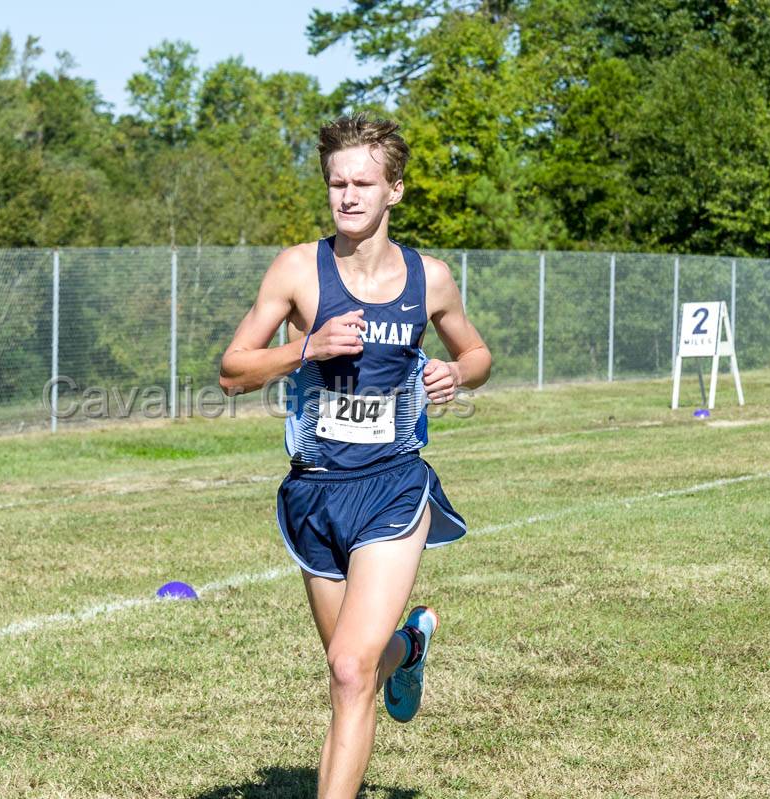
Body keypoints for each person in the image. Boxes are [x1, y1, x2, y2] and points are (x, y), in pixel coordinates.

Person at [218, 115, 492, 799]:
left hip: (395, 487)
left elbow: (476, 352)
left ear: (394, 189)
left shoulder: (428, 277)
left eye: (363, 182)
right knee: (357, 668)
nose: (347, 195)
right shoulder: (295, 269)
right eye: (337, 182)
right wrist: (303, 348)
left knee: (346, 669)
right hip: (315, 492)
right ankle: (413, 646)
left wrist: (459, 375)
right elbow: (232, 369)